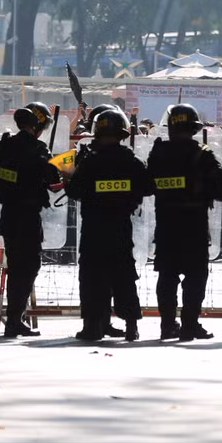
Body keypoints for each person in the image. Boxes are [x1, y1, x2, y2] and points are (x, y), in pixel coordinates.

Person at [66, 109, 151, 342]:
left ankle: (94, 327)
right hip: (121, 227)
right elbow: (147, 187)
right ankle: (131, 326)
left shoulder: (89, 162)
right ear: (122, 133)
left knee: (93, 278)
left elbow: (74, 191)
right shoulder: (131, 160)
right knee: (123, 275)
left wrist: (67, 177)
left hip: (93, 229)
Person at [146, 103, 222, 341]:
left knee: (167, 276)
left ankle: (167, 325)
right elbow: (221, 192)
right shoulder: (203, 155)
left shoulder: (158, 153)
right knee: (195, 276)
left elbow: (147, 185)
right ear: (194, 128)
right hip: (194, 225)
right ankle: (190, 326)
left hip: (166, 224)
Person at [0, 102, 62, 338]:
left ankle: (14, 319)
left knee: (15, 268)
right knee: (28, 268)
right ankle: (14, 321)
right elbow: (54, 183)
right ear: (38, 126)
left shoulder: (3, 146)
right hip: (28, 217)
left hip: (9, 215)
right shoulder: (39, 149)